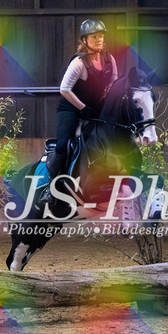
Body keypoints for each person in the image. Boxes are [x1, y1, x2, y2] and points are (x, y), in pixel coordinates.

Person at [40, 19, 118, 203]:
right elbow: (64, 89)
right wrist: (83, 108)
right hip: (71, 109)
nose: (99, 39)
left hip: (96, 110)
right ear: (84, 40)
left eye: (101, 36)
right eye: (94, 36)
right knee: (64, 144)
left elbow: (114, 82)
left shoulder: (109, 59)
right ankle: (51, 187)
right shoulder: (78, 62)